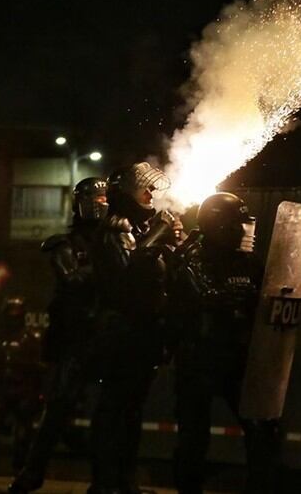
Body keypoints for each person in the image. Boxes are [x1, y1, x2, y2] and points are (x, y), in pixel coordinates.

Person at [166, 192, 279, 494]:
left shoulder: (249, 263)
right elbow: (196, 294)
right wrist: (220, 298)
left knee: (261, 428)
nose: (243, 230)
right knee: (194, 436)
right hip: (199, 359)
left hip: (237, 358)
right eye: (235, 224)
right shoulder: (190, 258)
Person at [8, 177, 108, 493]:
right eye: (95, 198)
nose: (101, 204)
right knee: (58, 408)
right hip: (74, 338)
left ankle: (105, 480)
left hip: (106, 336)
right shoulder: (65, 244)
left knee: (109, 413)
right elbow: (73, 281)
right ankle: (31, 472)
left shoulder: (118, 239)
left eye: (105, 198)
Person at [87, 162, 180, 494]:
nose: (152, 193)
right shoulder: (116, 228)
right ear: (127, 193)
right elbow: (129, 275)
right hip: (123, 333)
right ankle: (105, 483)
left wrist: (172, 240)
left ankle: (122, 481)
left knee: (130, 411)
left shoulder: (139, 228)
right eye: (146, 187)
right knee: (115, 410)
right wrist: (160, 234)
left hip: (142, 333)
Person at [0, 297, 46, 480]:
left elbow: (40, 367)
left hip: (23, 391)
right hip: (0, 390)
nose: (13, 318)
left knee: (23, 435)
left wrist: (37, 392)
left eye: (17, 314)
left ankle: (21, 469)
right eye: (10, 314)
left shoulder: (31, 338)